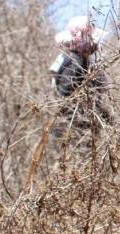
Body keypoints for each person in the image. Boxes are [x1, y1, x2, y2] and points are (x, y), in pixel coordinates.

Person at [48, 16, 109, 145]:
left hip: (74, 128)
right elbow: (65, 96)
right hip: (73, 131)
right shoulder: (76, 61)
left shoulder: (78, 59)